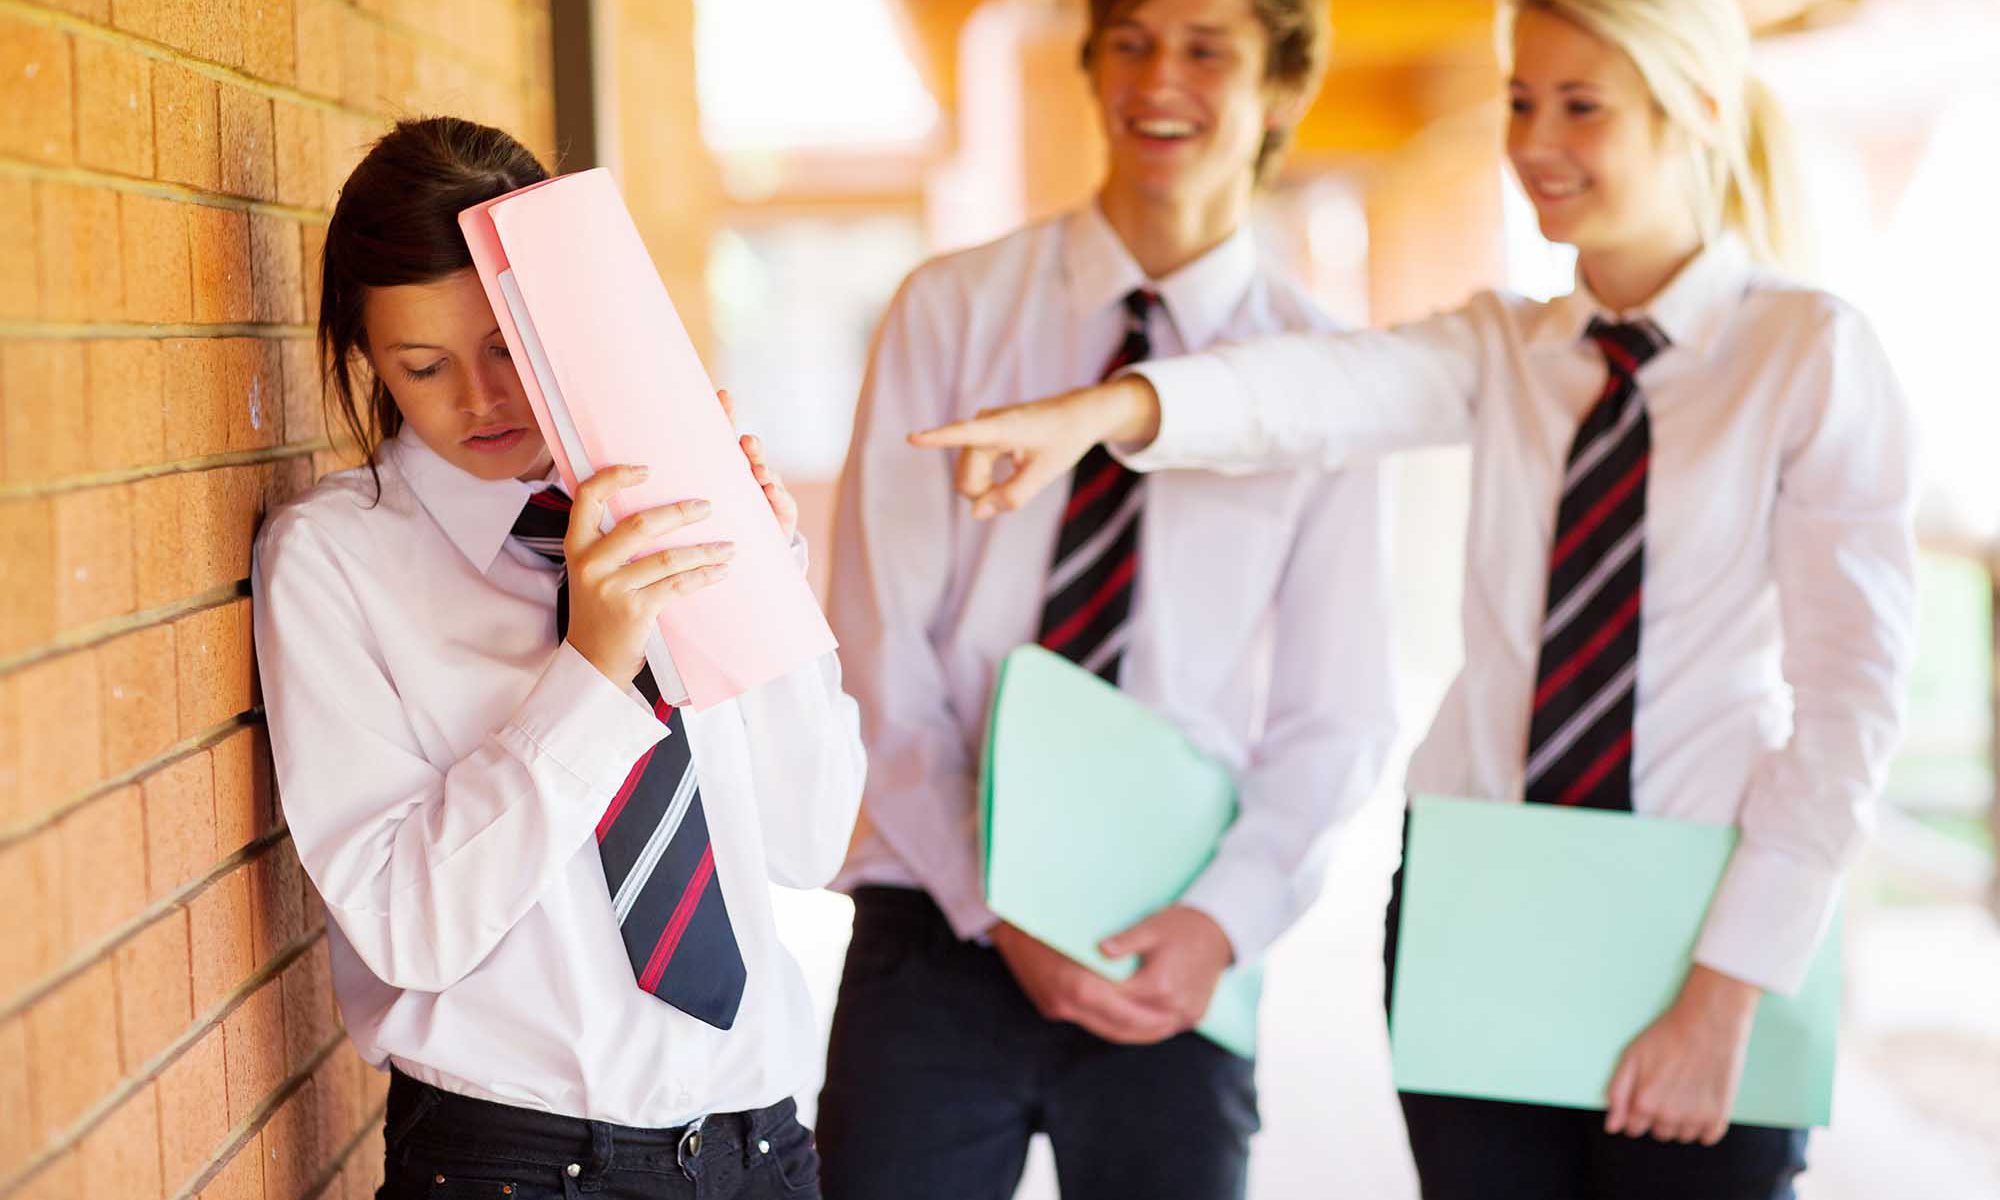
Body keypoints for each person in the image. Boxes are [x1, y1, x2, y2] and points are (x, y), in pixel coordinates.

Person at [910, 1, 1918, 1196]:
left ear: (1695, 111)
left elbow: (1851, 700)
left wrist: (1727, 986)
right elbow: (1309, 387)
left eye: (1579, 105)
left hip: (1699, 922)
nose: (1535, 140)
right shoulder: (1507, 348)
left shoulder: (1806, 354)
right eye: (1520, 101)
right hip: (1472, 910)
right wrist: (1100, 413)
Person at [815, 2, 1398, 1197]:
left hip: (1175, 941)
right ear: (1089, 66)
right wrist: (999, 903)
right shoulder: (952, 311)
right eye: (1129, 39)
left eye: (1206, 48)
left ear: (1280, 89)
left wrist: (1220, 925)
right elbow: (877, 648)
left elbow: (1332, 715)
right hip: (936, 919)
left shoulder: (1321, 378)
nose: (1157, 79)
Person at [251, 116, 865, 1200]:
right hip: (516, 1167)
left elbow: (811, 839)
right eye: (423, 365)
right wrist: (592, 669)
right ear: (363, 359)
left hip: (759, 1149)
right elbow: (410, 927)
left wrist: (762, 578)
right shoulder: (334, 562)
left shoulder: (668, 501)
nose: (481, 400)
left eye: (505, 348)